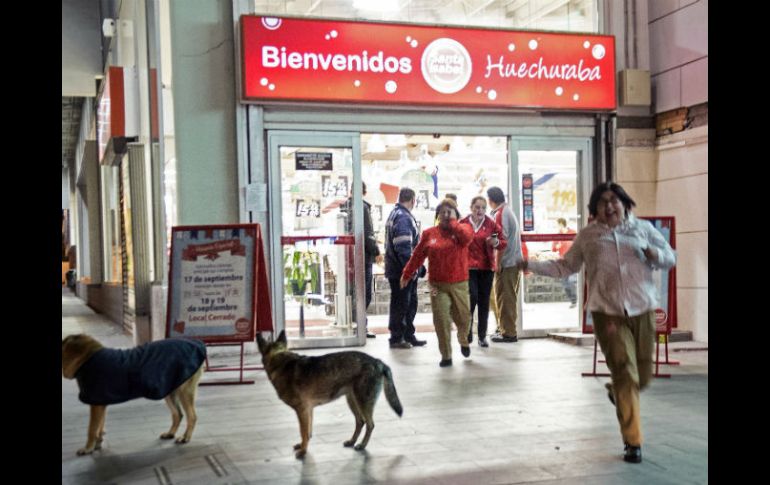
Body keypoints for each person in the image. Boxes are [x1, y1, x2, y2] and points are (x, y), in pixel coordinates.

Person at [517, 182, 676, 464]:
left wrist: (655, 255)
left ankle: (617, 392)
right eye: (602, 202)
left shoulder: (643, 230)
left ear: (624, 203)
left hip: (643, 309)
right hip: (607, 313)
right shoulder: (588, 237)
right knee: (626, 373)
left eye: (614, 200)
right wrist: (530, 265)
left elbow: (670, 258)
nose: (609, 206)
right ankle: (633, 441)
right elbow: (566, 267)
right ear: (594, 210)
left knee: (642, 375)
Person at [401, 198, 473, 367]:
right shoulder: (429, 234)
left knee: (463, 317)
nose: (446, 215)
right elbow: (417, 255)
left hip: (459, 284)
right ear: (438, 215)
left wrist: (453, 224)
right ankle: (446, 355)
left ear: (456, 214)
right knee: (441, 320)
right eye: (443, 212)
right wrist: (406, 273)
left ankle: (463, 339)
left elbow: (467, 238)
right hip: (436, 286)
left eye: (450, 212)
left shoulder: (464, 229)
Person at [459, 196, 506, 347]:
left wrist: (496, 242)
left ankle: (481, 336)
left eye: (483, 208)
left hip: (486, 268)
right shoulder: (463, 223)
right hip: (468, 268)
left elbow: (503, 241)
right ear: (471, 208)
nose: (480, 211)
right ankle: (467, 332)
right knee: (471, 298)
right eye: (477, 207)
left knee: (484, 302)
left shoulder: (490, 224)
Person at [384, 188, 427, 349]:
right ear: (413, 200)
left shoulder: (395, 214)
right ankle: (398, 337)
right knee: (402, 304)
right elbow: (403, 247)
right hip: (402, 271)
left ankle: (408, 335)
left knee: (405, 303)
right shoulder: (403, 218)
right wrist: (410, 270)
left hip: (396, 269)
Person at [486, 186, 523, 343]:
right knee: (506, 298)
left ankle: (508, 333)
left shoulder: (500, 214)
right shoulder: (507, 211)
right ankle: (505, 329)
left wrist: (497, 263)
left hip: (507, 263)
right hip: (514, 262)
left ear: (490, 200)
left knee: (505, 299)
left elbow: (502, 241)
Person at [363, 182, 384, 337]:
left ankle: (355, 325)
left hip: (348, 258)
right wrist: (377, 251)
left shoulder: (345, 207)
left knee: (354, 292)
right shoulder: (363, 208)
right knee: (365, 293)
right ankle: (361, 327)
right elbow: (368, 233)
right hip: (363, 257)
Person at [552, 217, 577, 308]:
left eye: (557, 225)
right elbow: (553, 248)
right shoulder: (557, 236)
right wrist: (557, 246)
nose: (556, 227)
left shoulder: (572, 232)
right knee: (565, 284)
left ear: (561, 224)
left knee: (570, 280)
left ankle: (575, 300)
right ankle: (573, 300)